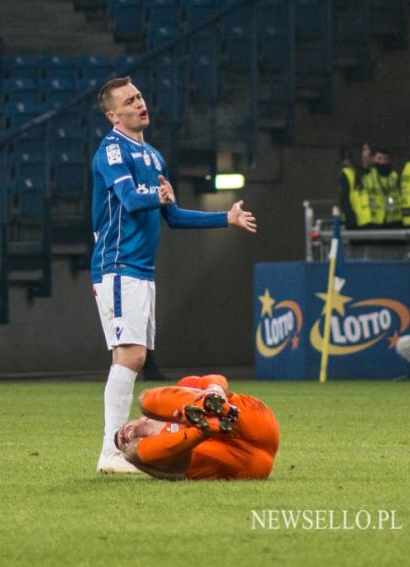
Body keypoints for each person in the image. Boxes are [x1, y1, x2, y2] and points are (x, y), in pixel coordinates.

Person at [90, 76, 258, 474]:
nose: (139, 104)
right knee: (129, 356)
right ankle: (111, 452)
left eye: (140, 96)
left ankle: (117, 449)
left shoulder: (154, 156)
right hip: (117, 264)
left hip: (140, 269)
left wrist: (226, 218)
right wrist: (156, 196)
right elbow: (131, 200)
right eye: (129, 101)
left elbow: (174, 216)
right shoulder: (112, 149)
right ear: (113, 115)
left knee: (135, 355)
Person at [115, 375, 280, 480]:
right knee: (133, 455)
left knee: (145, 400)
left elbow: (214, 378)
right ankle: (204, 426)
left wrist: (215, 388)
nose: (122, 438)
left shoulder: (170, 398)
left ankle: (215, 407)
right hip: (245, 464)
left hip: (255, 421)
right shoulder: (159, 451)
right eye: (120, 443)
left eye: (120, 432)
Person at [364, 148, 402, 227]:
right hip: (374, 220)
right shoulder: (368, 175)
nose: (382, 162)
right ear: (373, 159)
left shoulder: (395, 175)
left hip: (394, 219)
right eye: (379, 158)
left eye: (385, 159)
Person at [339, 142, 373, 228]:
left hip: (372, 222)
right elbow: (344, 200)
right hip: (357, 224)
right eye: (364, 150)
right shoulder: (347, 174)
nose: (368, 152)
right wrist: (351, 219)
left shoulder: (368, 173)